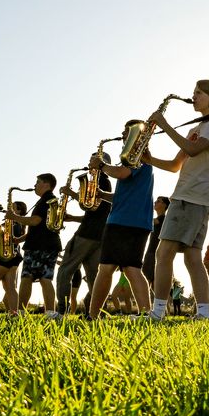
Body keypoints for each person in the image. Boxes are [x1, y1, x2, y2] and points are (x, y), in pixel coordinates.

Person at [147, 80, 209, 321]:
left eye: (199, 93)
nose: (193, 96)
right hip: (193, 198)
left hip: (189, 198)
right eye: (194, 92)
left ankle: (158, 312)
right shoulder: (197, 128)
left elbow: (193, 151)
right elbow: (175, 166)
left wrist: (164, 124)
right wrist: (149, 159)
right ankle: (204, 313)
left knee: (164, 253)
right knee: (193, 258)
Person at [87, 122, 155, 319]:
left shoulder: (134, 155)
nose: (123, 134)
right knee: (132, 268)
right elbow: (126, 193)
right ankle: (146, 314)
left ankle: (93, 315)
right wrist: (102, 194)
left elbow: (122, 173)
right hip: (139, 221)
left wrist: (101, 165)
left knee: (106, 267)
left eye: (127, 131)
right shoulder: (143, 157)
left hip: (122, 221)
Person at [55, 163, 113, 316]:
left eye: (92, 161)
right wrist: (72, 218)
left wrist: (71, 193)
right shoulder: (107, 183)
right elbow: (95, 215)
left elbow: (90, 205)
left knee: (64, 271)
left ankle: (61, 311)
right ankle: (97, 313)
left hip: (85, 235)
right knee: (95, 278)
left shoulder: (99, 181)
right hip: (100, 236)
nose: (89, 165)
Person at [5, 174, 62, 318]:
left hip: (40, 245)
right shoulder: (48, 200)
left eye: (38, 182)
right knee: (38, 278)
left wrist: (15, 217)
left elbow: (36, 221)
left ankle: (24, 313)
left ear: (46, 184)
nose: (35, 185)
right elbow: (40, 227)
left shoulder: (46, 200)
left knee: (33, 278)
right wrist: (20, 239)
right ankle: (46, 312)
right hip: (46, 244)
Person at [142, 196, 169, 286]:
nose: (155, 202)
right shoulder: (159, 219)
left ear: (165, 205)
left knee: (146, 280)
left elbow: (153, 221)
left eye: (158, 201)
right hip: (152, 252)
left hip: (153, 253)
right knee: (154, 283)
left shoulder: (163, 218)